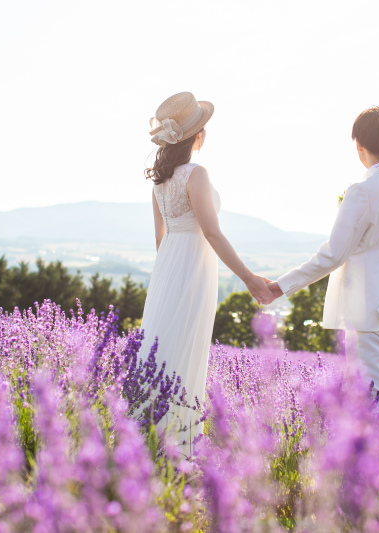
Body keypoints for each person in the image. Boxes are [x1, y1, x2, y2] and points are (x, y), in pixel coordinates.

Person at [139, 92, 273, 446]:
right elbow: (211, 232)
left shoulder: (160, 180)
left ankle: (148, 439)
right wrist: (248, 278)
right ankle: (179, 444)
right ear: (197, 136)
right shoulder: (196, 174)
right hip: (194, 268)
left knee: (163, 344)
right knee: (187, 347)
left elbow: (160, 239)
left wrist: (170, 275)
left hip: (168, 265)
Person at [268, 106, 379, 405]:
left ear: (358, 146)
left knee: (372, 400)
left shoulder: (362, 191)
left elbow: (333, 255)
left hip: (367, 311)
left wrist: (281, 286)